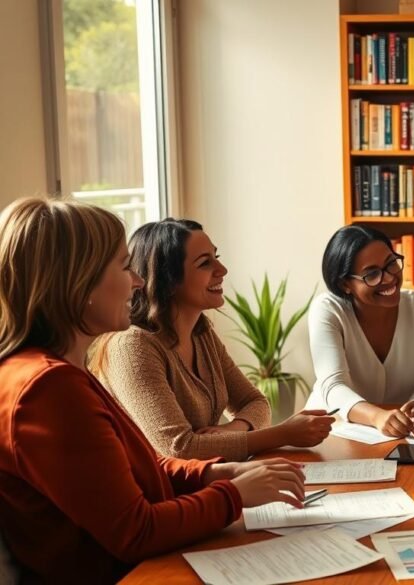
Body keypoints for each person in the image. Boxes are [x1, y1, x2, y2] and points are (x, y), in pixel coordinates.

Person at [0, 198, 306, 582]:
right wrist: (235, 495)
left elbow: (137, 467)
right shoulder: (47, 389)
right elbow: (136, 531)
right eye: (125, 266)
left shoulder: (55, 371)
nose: (138, 281)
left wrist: (216, 474)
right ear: (78, 280)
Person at [97, 219, 334, 462]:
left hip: (205, 482)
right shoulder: (132, 346)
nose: (222, 269)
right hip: (158, 493)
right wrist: (283, 434)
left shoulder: (201, 333)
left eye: (216, 257)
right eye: (205, 263)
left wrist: (234, 429)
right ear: (168, 279)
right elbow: (180, 448)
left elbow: (255, 402)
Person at [305, 225, 414, 438]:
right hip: (330, 431)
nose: (389, 279)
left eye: (391, 264)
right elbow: (333, 387)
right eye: (372, 274)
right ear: (345, 284)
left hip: (395, 435)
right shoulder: (328, 310)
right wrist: (377, 417)